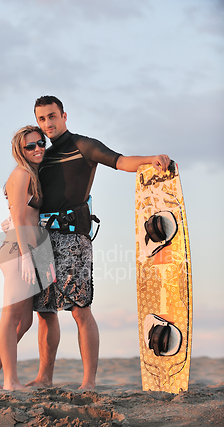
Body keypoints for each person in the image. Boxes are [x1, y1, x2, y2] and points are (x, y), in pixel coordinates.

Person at [26, 95, 171, 391]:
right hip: (42, 239)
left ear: (64, 116)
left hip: (73, 238)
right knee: (45, 311)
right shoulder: (42, 157)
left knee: (80, 309)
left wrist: (148, 159)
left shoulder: (84, 146)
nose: (48, 124)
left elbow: (119, 161)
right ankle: (44, 377)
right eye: (42, 119)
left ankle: (88, 382)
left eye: (52, 116)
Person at [0, 125, 46, 391]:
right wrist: (26, 257)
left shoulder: (32, 174)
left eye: (41, 144)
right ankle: (10, 381)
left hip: (28, 249)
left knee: (25, 321)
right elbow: (18, 217)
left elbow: (21, 213)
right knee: (10, 317)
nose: (38, 148)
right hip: (18, 251)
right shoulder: (21, 173)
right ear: (21, 149)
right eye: (31, 146)